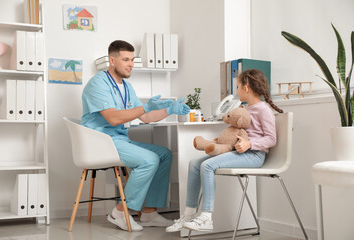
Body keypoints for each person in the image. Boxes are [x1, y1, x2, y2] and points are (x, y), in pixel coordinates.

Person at [81, 40, 190, 231]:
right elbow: (114, 118)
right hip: (101, 142)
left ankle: (148, 213)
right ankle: (120, 212)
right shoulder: (98, 83)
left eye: (132, 59)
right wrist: (145, 106)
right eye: (125, 59)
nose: (130, 64)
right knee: (148, 160)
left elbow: (146, 117)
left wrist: (169, 109)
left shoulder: (127, 87)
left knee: (163, 154)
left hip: (120, 140)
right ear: (112, 60)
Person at [166, 69, 283, 232]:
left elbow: (271, 139)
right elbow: (237, 131)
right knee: (194, 163)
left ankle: (206, 217)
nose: (236, 91)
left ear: (246, 88)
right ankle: (189, 214)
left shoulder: (263, 110)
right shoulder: (246, 108)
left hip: (254, 155)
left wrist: (250, 144)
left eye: (237, 86)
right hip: (239, 152)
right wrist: (223, 140)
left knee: (207, 166)